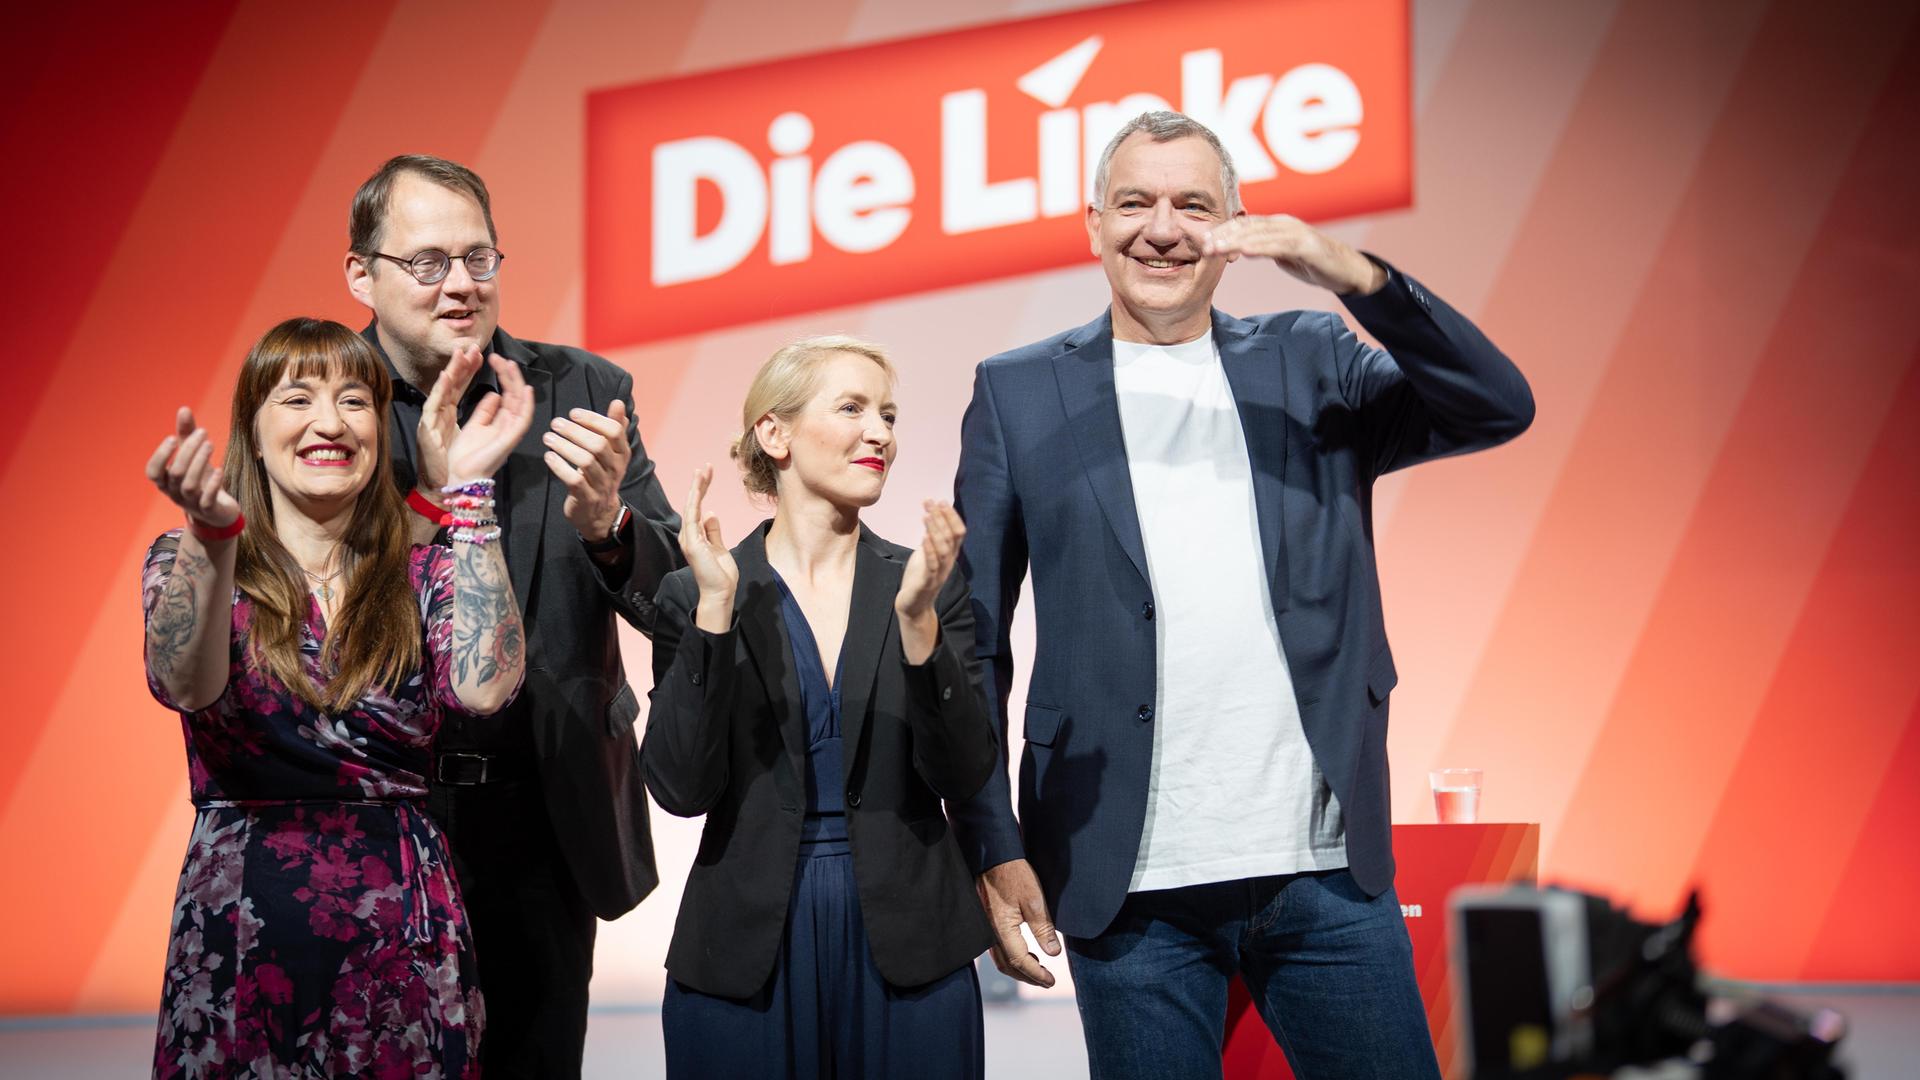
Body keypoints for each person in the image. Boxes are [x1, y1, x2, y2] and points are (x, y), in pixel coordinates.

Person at [949, 111, 1535, 1077]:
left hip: (1324, 868)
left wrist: (1355, 275)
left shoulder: (1310, 357)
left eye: (1193, 204)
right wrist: (989, 838)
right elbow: (975, 641)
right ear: (1092, 223)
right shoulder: (1017, 391)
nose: (1162, 228)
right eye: (1134, 202)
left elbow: (1494, 404)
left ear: (1237, 226)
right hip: (1124, 883)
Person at [341, 154, 683, 1075]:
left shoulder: (581, 389)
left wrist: (611, 529)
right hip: (375, 819)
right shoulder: (320, 404)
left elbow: (680, 610)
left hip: (546, 817)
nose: (459, 284)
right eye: (426, 262)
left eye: (478, 258)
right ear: (360, 275)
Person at [141, 317, 532, 1077]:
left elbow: (486, 688)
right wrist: (214, 535)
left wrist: (472, 494)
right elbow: (180, 684)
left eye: (355, 400)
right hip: (243, 925)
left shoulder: (420, 575)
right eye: (297, 399)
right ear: (252, 432)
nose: (330, 423)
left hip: (403, 925)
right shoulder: (188, 558)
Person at [643, 337, 998, 1079]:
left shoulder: (927, 584)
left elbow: (964, 771)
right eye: (853, 408)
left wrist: (919, 629)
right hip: (744, 953)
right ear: (774, 434)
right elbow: (680, 789)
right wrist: (714, 612)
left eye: (890, 415)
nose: (882, 434)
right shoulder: (699, 590)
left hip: (912, 949)